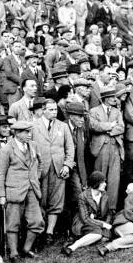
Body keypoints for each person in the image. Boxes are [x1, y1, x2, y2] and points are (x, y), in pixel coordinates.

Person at [0, 120, 44, 262]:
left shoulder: (33, 146)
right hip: (14, 191)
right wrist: (2, 195)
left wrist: (35, 177)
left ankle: (26, 249)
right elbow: (0, 173)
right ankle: (13, 253)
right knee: (12, 223)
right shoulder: (7, 149)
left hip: (32, 189)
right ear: (17, 133)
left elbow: (40, 163)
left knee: (37, 222)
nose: (29, 134)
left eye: (30, 131)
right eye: (26, 132)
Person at [32, 99, 75, 245]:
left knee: (56, 201)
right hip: (41, 169)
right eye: (51, 110)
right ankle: (39, 231)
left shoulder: (62, 126)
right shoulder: (33, 126)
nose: (54, 112)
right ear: (43, 110)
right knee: (40, 199)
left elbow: (70, 147)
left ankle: (49, 232)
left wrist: (67, 165)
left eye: (55, 109)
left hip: (58, 169)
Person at [88, 86, 124, 213]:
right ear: (105, 98)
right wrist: (110, 126)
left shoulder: (117, 111)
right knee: (100, 176)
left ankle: (111, 208)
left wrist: (108, 130)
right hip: (100, 148)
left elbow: (121, 127)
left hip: (114, 146)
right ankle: (97, 207)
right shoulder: (94, 111)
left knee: (114, 178)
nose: (115, 99)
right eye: (112, 97)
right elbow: (94, 126)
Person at [62, 171, 112, 256]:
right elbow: (85, 218)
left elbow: (108, 213)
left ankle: (89, 239)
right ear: (96, 183)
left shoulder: (104, 194)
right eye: (102, 182)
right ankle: (72, 247)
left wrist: (107, 223)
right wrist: (103, 224)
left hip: (96, 222)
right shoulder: (83, 196)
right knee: (98, 234)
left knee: (106, 236)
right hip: (82, 223)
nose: (105, 184)